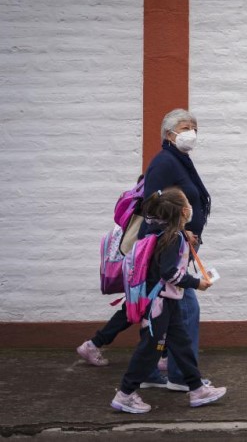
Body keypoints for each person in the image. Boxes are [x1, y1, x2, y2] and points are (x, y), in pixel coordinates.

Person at [78, 109, 212, 391]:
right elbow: (153, 207)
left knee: (165, 310)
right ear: (169, 133)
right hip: (168, 250)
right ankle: (180, 377)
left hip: (178, 247)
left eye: (194, 128)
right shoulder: (165, 162)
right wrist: (177, 232)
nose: (192, 133)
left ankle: (156, 370)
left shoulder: (180, 160)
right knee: (184, 309)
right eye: (186, 127)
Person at [111, 187, 225, 413]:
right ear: (184, 212)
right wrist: (197, 283)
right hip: (159, 306)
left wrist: (184, 236)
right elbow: (169, 273)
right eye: (189, 205)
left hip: (166, 303)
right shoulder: (172, 239)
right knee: (149, 350)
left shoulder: (163, 232)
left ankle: (196, 389)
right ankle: (125, 394)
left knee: (181, 345)